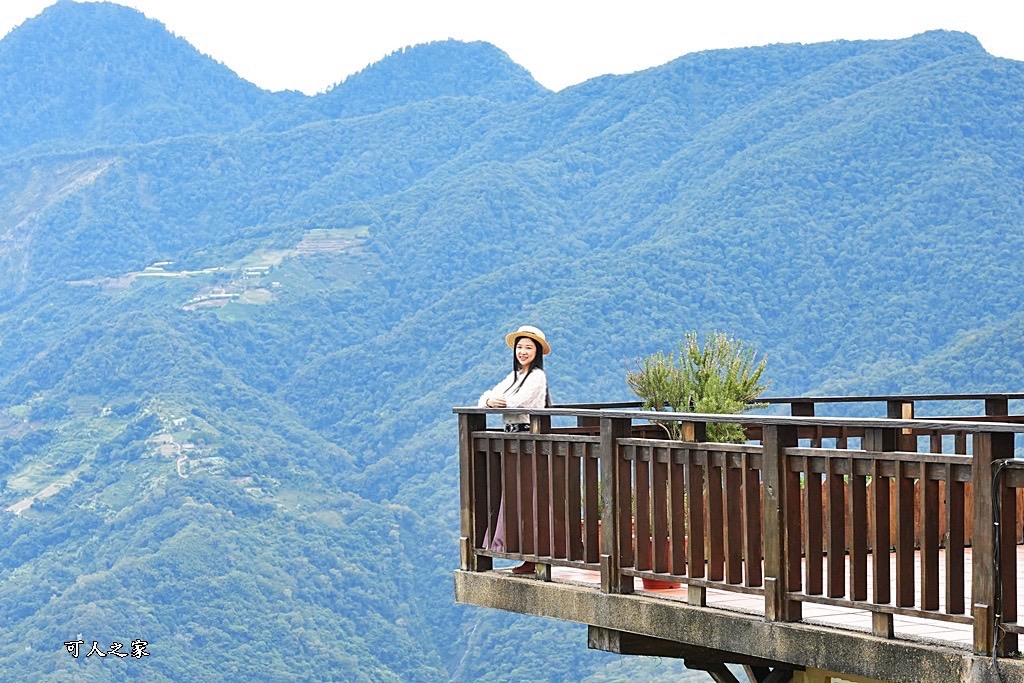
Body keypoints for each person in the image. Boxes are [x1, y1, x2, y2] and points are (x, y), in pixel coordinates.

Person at [478, 325, 551, 574]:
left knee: (526, 498)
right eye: (520, 347)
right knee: (515, 497)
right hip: (513, 442)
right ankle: (523, 552)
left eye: (528, 347)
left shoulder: (537, 377)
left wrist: (497, 401)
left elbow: (517, 402)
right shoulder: (515, 375)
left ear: (537, 351)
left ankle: (533, 554)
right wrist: (489, 400)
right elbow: (486, 397)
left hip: (527, 441)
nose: (523, 351)